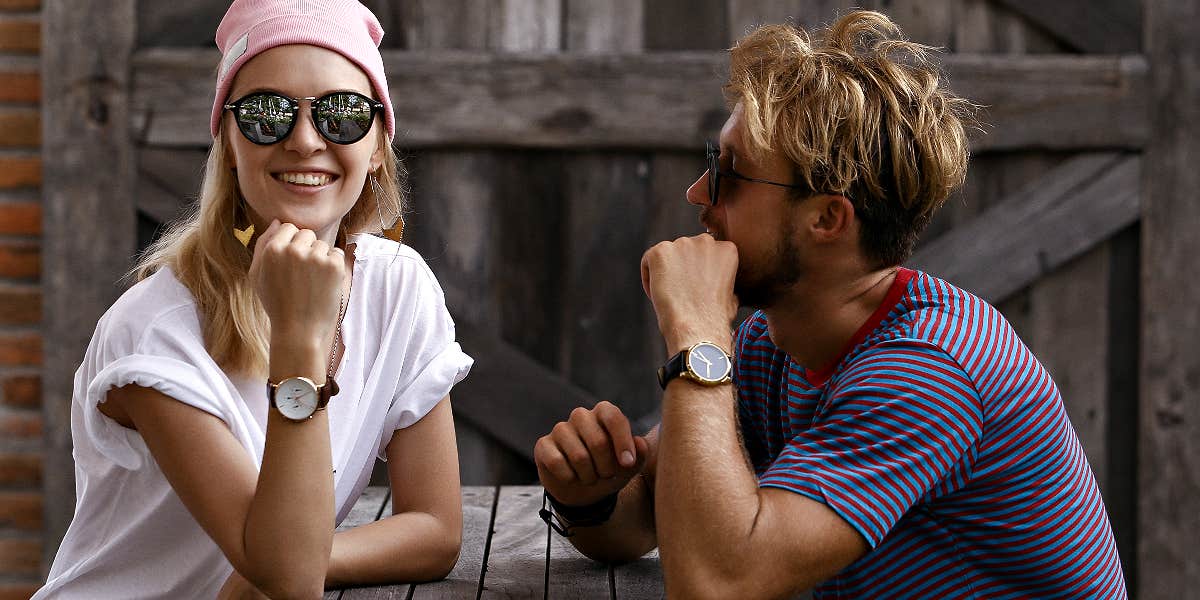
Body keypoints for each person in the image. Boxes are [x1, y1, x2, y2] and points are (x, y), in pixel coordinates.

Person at [534, 10, 1127, 599]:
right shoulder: (775, 343)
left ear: (826, 218)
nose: (697, 194)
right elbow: (647, 519)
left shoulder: (929, 371)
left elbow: (716, 583)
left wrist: (696, 334)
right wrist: (588, 496)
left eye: (729, 175)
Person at [34, 1, 472, 598]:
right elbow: (290, 578)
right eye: (268, 114)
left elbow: (436, 529)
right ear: (229, 144)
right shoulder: (156, 330)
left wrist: (294, 559)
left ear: (376, 147)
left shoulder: (399, 287)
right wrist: (298, 337)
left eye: (342, 114)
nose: (305, 140)